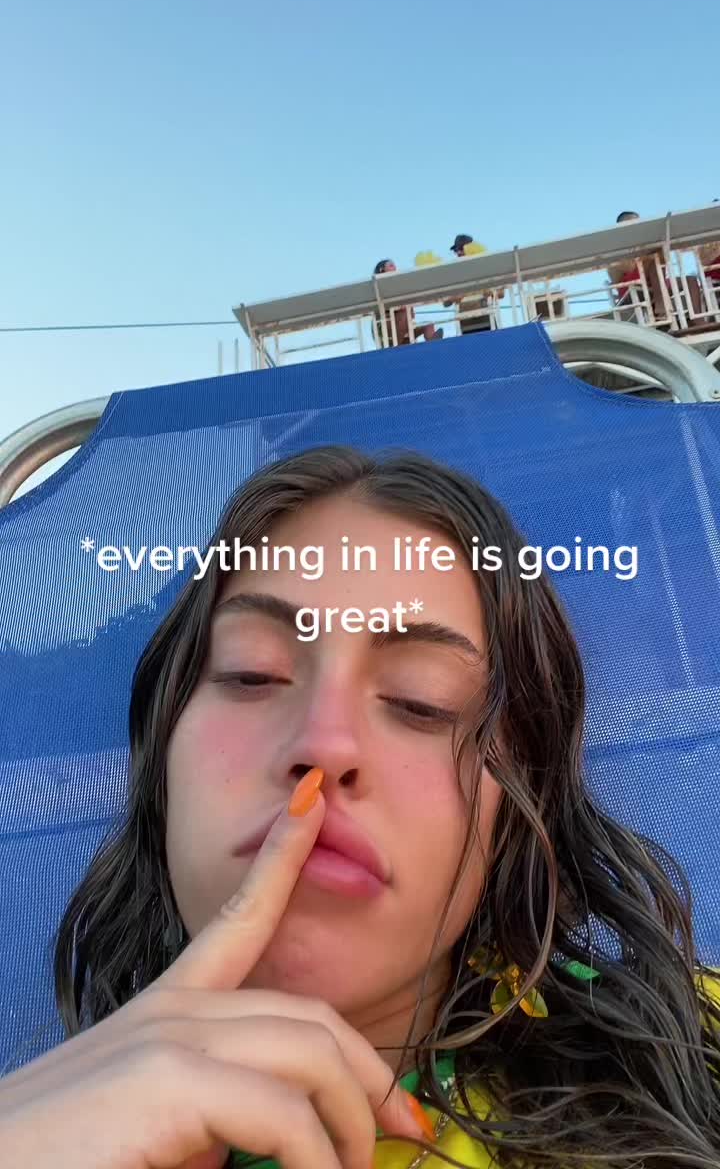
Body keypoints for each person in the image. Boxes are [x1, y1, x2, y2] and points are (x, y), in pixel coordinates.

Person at [1, 444, 720, 1169]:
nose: (324, 742)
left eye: (421, 700)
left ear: (515, 809)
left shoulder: (693, 1050)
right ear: (161, 768)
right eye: (252, 673)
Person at [373, 260, 443, 346]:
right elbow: (382, 308)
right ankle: (396, 345)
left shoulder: (400, 287)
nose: (395, 268)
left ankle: (434, 344)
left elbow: (411, 315)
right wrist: (401, 307)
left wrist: (408, 308)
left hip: (403, 333)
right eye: (391, 266)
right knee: (404, 312)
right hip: (387, 334)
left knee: (428, 325)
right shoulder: (379, 287)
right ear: (382, 270)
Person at [446, 235, 504, 333]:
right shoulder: (454, 273)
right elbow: (445, 303)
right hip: (465, 322)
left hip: (487, 319)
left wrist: (491, 293)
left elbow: (501, 293)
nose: (458, 252)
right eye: (456, 250)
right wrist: (453, 298)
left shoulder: (486, 268)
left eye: (461, 248)